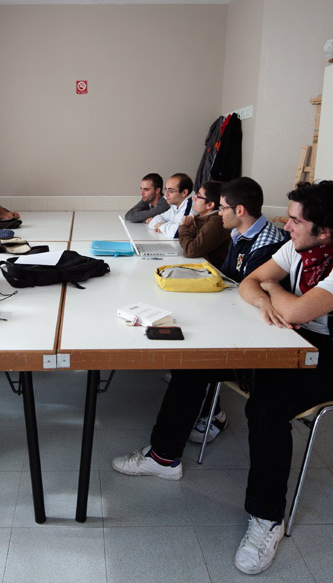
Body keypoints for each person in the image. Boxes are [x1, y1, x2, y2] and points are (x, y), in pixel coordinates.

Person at [233, 180, 333, 574]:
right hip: (294, 341)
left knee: (265, 410)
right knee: (205, 361)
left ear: (325, 230)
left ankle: (267, 519)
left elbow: (296, 312)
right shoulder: (298, 247)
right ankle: (164, 455)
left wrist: (271, 287)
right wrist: (266, 295)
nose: (286, 226)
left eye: (296, 220)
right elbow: (249, 282)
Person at [112, 176, 287, 477]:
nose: (219, 213)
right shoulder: (241, 233)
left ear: (240, 210)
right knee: (186, 352)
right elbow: (234, 282)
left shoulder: (268, 244)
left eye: (223, 208)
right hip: (238, 320)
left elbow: (250, 288)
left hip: (259, 339)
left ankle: (164, 458)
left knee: (190, 364)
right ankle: (211, 415)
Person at [177, 179, 231, 266]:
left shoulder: (216, 221)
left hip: (215, 271)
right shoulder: (200, 217)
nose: (193, 198)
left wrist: (183, 226)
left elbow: (190, 250)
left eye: (198, 196)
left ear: (210, 205)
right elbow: (185, 242)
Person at [148, 173, 195, 238]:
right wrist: (166, 227)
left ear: (184, 192)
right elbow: (153, 221)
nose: (166, 194)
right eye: (166, 190)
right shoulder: (176, 205)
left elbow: (177, 232)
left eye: (171, 191)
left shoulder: (191, 205)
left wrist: (161, 226)